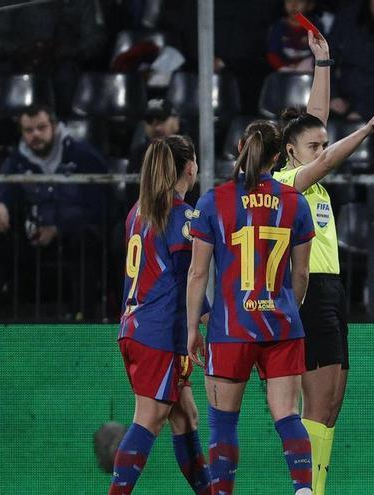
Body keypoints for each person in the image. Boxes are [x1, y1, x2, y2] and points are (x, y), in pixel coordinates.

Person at [273, 29, 374, 495]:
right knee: (316, 404)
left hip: (332, 291)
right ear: (289, 153)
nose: (322, 152)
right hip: (307, 291)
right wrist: (363, 129)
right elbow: (321, 159)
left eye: (324, 144)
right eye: (313, 147)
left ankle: (315, 488)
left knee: (332, 404)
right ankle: (307, 490)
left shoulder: (312, 182)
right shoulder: (288, 180)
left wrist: (323, 64)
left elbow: (314, 122)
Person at [186, 121, 315, 495]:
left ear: (241, 146)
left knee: (223, 424)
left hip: (230, 329)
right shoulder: (295, 201)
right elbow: (302, 272)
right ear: (277, 156)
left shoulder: (214, 200)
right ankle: (303, 489)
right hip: (282, 327)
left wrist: (192, 329)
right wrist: (289, 307)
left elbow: (197, 274)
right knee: (288, 416)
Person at [108, 135, 210, 494]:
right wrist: (208, 319)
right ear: (190, 167)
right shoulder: (181, 216)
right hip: (160, 333)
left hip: (133, 327)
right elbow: (189, 277)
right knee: (148, 418)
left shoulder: (138, 211)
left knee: (186, 417)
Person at [0, 104, 108, 317]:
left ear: (54, 127)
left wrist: (58, 228)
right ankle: (9, 316)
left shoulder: (81, 154)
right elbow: (5, 188)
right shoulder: (17, 161)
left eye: (41, 127)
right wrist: (0, 204)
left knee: (85, 240)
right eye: (29, 131)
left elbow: (101, 204)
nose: (35, 135)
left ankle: (81, 316)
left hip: (73, 231)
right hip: (33, 234)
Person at [126, 99, 183, 209]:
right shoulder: (138, 155)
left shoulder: (189, 153)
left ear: (176, 122)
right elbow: (132, 198)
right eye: (150, 121)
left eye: (162, 120)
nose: (156, 128)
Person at [267, 0, 323, 72]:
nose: (293, 5)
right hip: (283, 72)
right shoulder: (279, 26)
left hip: (309, 73)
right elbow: (272, 54)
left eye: (299, 1)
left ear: (310, 5)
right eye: (289, 1)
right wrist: (284, 67)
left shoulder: (313, 27)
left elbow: (320, 53)